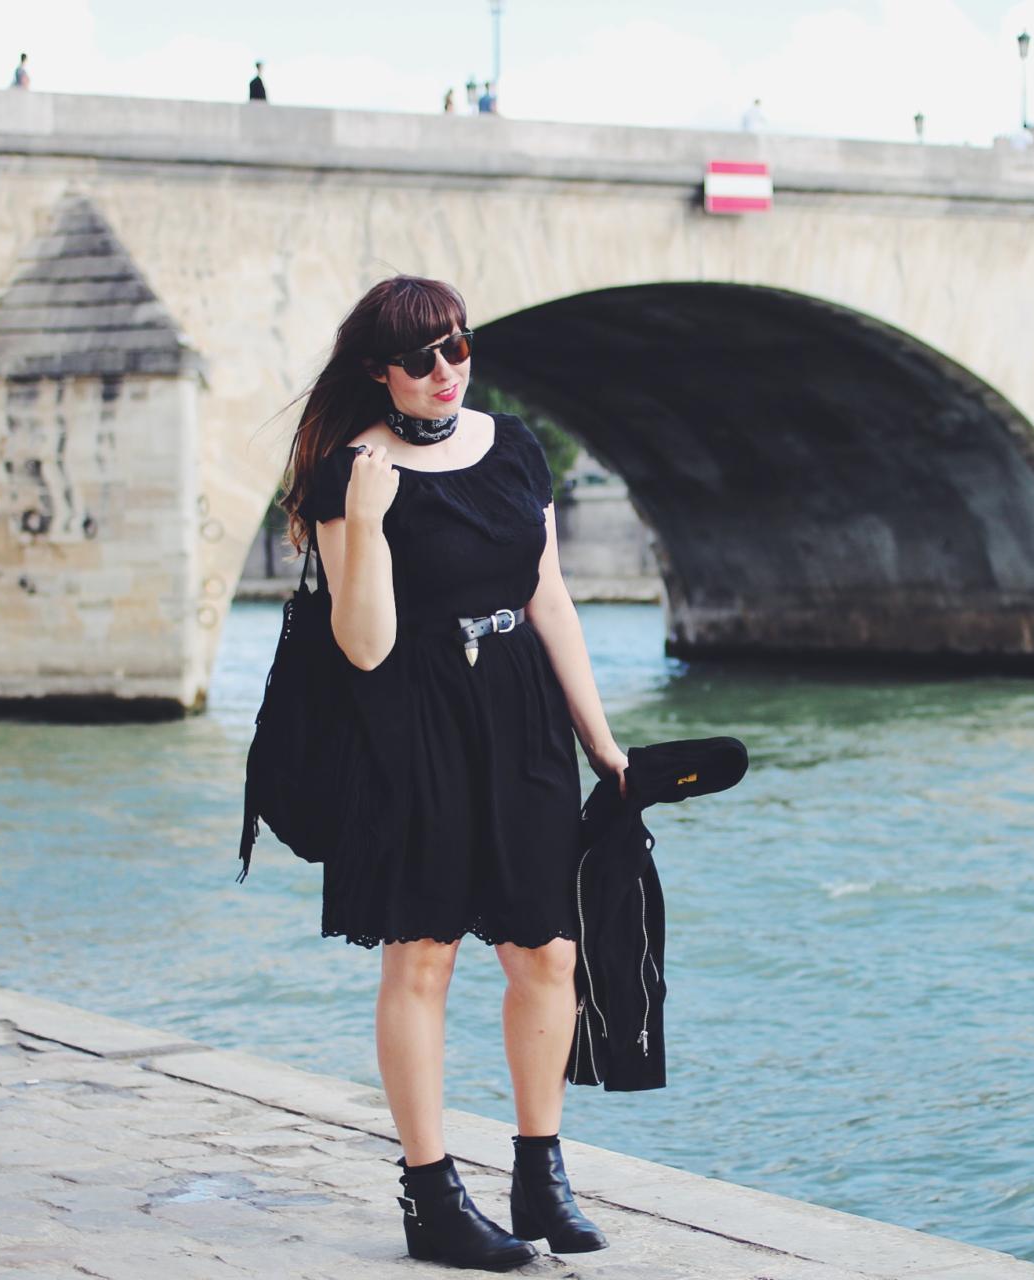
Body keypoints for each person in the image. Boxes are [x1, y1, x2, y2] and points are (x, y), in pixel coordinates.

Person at [276, 276, 624, 1269]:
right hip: (411, 720)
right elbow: (365, 645)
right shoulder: (349, 473)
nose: (446, 370)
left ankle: (540, 1174)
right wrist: (369, 522)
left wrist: (600, 742)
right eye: (422, 357)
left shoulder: (513, 447)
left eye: (458, 347)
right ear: (378, 371)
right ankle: (431, 1198)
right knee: (423, 957)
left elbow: (549, 598)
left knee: (547, 951)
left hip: (520, 711)